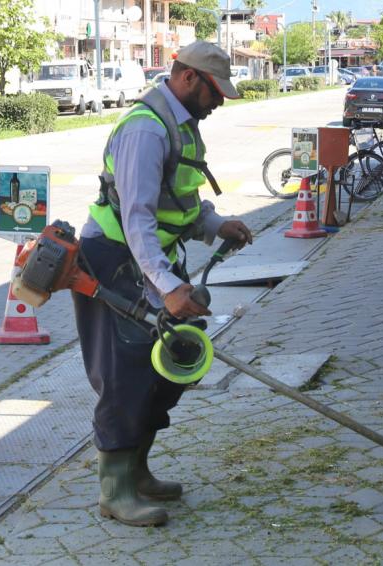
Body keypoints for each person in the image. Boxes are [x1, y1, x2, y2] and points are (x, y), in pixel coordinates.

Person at [73, 41, 252, 528]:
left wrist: (217, 225)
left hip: (151, 264)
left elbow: (179, 202)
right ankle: (115, 491)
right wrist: (169, 286)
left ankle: (139, 471)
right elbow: (136, 221)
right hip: (115, 261)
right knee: (126, 373)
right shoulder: (144, 130)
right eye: (215, 92)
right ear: (188, 77)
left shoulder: (182, 126)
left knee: (169, 370)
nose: (218, 102)